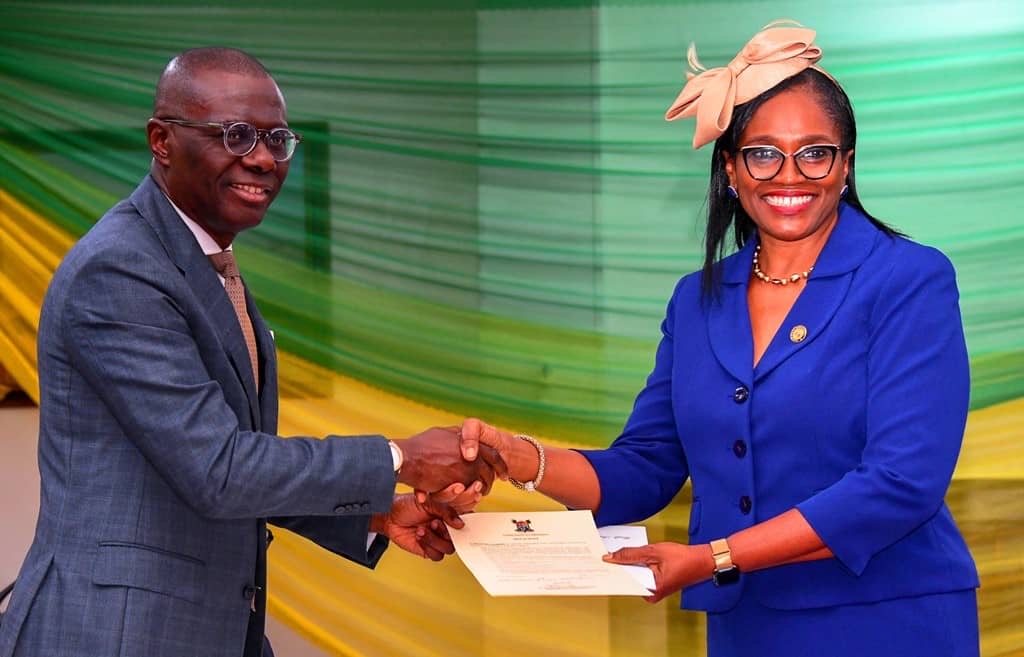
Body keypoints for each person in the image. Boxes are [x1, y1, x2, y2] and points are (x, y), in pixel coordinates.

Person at [457, 21, 980, 657]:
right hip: (746, 629)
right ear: (731, 168)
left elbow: (901, 483)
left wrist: (713, 556)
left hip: (889, 621)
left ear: (846, 165)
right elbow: (644, 469)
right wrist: (517, 459)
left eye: (815, 151)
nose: (790, 174)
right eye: (763, 152)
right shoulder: (697, 298)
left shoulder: (907, 279)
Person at [0, 47, 502, 657]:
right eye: (235, 135)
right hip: (117, 631)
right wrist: (400, 457)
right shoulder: (122, 269)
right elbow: (220, 469)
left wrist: (376, 515)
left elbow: (222, 468)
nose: (262, 159)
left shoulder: (203, 262)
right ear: (162, 140)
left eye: (276, 139)